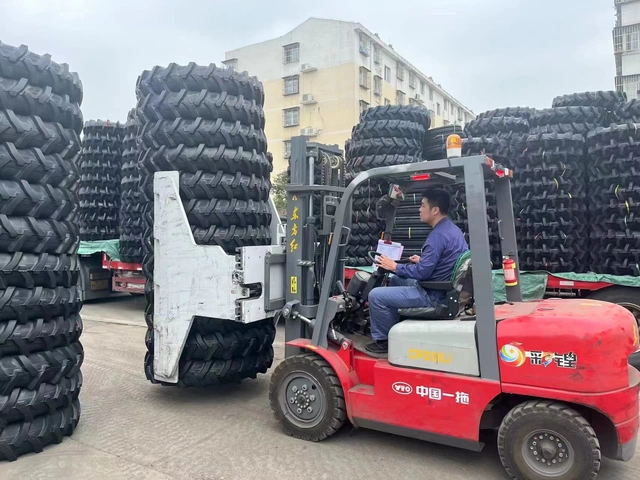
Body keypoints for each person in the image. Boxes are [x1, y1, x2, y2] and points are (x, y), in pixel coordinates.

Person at [365, 189, 469, 354]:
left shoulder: (437, 236)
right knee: (395, 280)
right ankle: (394, 325)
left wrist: (394, 266)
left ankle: (383, 341)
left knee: (375, 296)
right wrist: (423, 260)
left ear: (435, 210)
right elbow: (447, 259)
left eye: (422, 206)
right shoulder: (452, 230)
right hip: (442, 287)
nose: (419, 209)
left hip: (432, 295)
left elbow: (422, 273)